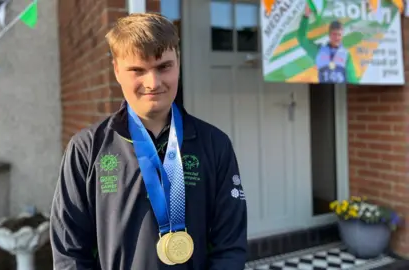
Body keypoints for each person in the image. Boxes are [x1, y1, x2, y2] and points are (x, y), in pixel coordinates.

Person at [49, 13, 248, 270]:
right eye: (137, 70)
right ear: (117, 70)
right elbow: (69, 253)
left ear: (178, 62)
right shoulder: (86, 149)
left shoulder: (215, 145)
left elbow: (230, 247)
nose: (152, 83)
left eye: (163, 67)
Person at [297, 4, 358, 84]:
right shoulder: (318, 51)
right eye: (334, 34)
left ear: (342, 36)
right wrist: (306, 15)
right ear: (329, 35)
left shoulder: (346, 55)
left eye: (339, 34)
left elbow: (352, 80)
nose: (336, 37)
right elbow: (301, 38)